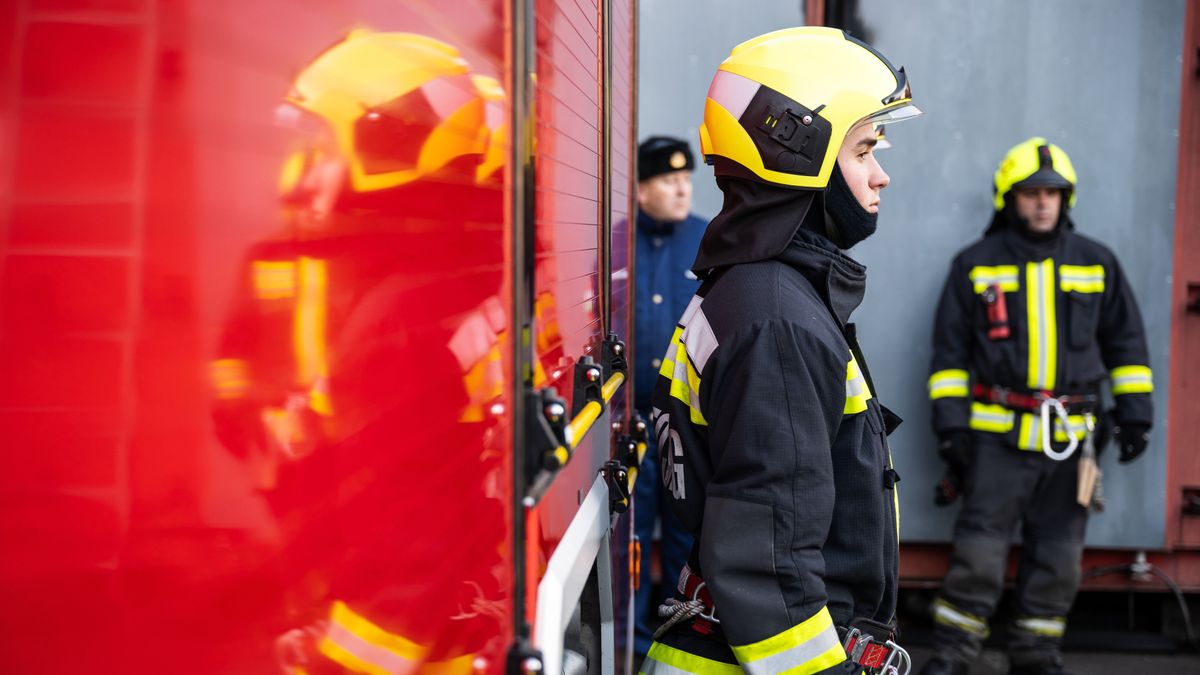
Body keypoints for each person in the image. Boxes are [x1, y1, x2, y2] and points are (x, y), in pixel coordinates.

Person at [643, 26, 921, 675]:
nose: (882, 175)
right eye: (864, 149)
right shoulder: (775, 315)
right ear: (800, 153)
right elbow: (767, 557)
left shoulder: (752, 288)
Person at [921, 137, 1153, 675]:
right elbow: (949, 354)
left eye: (1053, 192)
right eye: (1030, 193)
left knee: (1059, 557)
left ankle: (1036, 654)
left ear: (1067, 199)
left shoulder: (1097, 263)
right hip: (996, 442)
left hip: (1072, 444)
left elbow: (1127, 345)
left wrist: (1136, 411)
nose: (1043, 203)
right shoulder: (975, 264)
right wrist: (951, 429)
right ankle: (953, 656)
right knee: (978, 555)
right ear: (1008, 198)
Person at [631, 136, 706, 662]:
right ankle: (631, 646)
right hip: (628, 429)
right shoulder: (612, 244)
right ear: (638, 190)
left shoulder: (708, 242)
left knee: (686, 544)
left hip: (688, 429)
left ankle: (677, 646)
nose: (682, 188)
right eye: (667, 180)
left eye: (687, 179)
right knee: (629, 542)